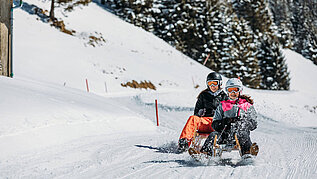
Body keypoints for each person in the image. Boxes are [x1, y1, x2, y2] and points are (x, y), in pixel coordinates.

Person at [200, 78, 259, 157]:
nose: (233, 93)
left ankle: (247, 153)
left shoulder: (246, 105)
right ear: (227, 91)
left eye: (235, 90)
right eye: (230, 90)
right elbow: (214, 124)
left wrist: (243, 122)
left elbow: (254, 124)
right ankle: (205, 154)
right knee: (213, 135)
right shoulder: (222, 105)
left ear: (240, 90)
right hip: (224, 135)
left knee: (242, 134)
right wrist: (225, 121)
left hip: (239, 134)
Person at [177, 72, 228, 153]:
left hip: (217, 123)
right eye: (210, 83)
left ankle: (208, 150)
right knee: (193, 118)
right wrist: (200, 113)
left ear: (220, 83)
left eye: (215, 83)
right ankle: (184, 142)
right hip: (205, 122)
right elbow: (196, 112)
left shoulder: (224, 97)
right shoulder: (203, 95)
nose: (213, 86)